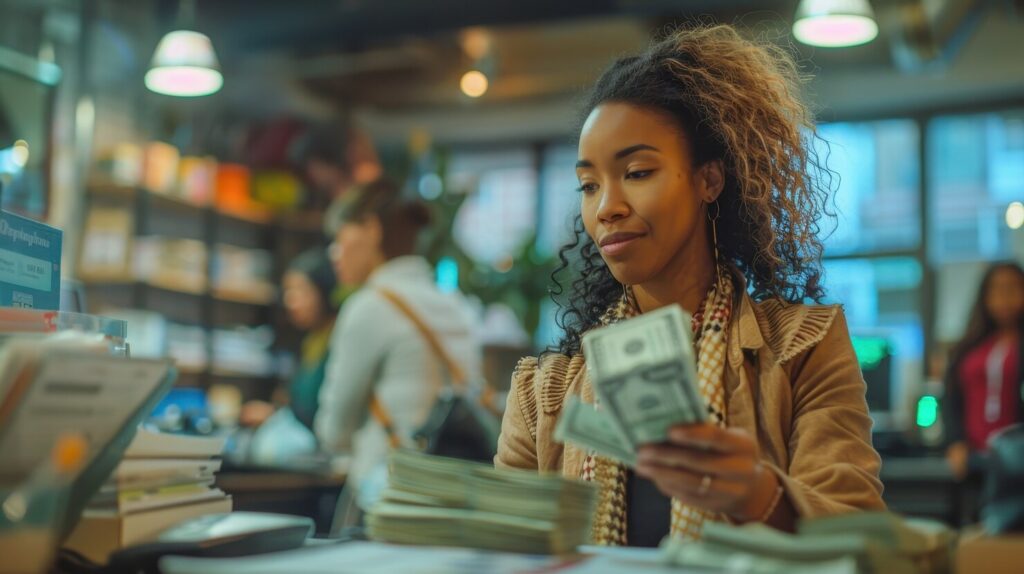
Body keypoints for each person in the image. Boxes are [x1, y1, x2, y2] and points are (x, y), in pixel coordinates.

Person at [495, 25, 885, 547]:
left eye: (636, 172)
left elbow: (858, 526)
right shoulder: (544, 391)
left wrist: (758, 495)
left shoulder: (802, 349)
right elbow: (501, 550)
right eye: (589, 185)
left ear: (709, 180)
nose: (606, 206)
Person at [314, 177, 482, 510]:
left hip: (389, 498)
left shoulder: (369, 306)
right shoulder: (455, 305)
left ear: (372, 230)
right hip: (457, 494)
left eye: (339, 236)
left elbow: (332, 432)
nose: (334, 252)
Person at [240, 249, 340, 432]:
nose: (290, 301)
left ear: (324, 291)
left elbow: (318, 409)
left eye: (301, 291)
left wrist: (273, 415)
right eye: (288, 291)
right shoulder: (310, 340)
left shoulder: (338, 340)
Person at [943, 262, 1024, 481]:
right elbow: (950, 396)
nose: (1005, 297)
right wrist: (955, 442)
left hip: (1017, 461)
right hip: (972, 459)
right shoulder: (969, 346)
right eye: (997, 289)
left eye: (1013, 288)